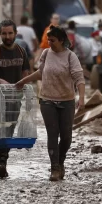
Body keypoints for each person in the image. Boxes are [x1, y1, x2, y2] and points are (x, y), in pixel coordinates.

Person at [16, 26, 85, 182]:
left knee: (66, 136)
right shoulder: (46, 53)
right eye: (48, 40)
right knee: (52, 134)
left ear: (61, 40)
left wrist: (81, 98)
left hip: (67, 101)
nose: (49, 43)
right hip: (47, 100)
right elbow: (41, 72)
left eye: (52, 40)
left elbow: (79, 79)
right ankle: (54, 168)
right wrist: (23, 81)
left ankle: (60, 162)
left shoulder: (70, 57)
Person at [0, 20, 31, 178]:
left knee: (8, 129)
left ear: (15, 33)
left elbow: (26, 73)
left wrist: (24, 88)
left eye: (10, 33)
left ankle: (4, 160)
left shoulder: (22, 52)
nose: (7, 36)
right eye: (4, 33)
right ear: (0, 34)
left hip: (14, 98)